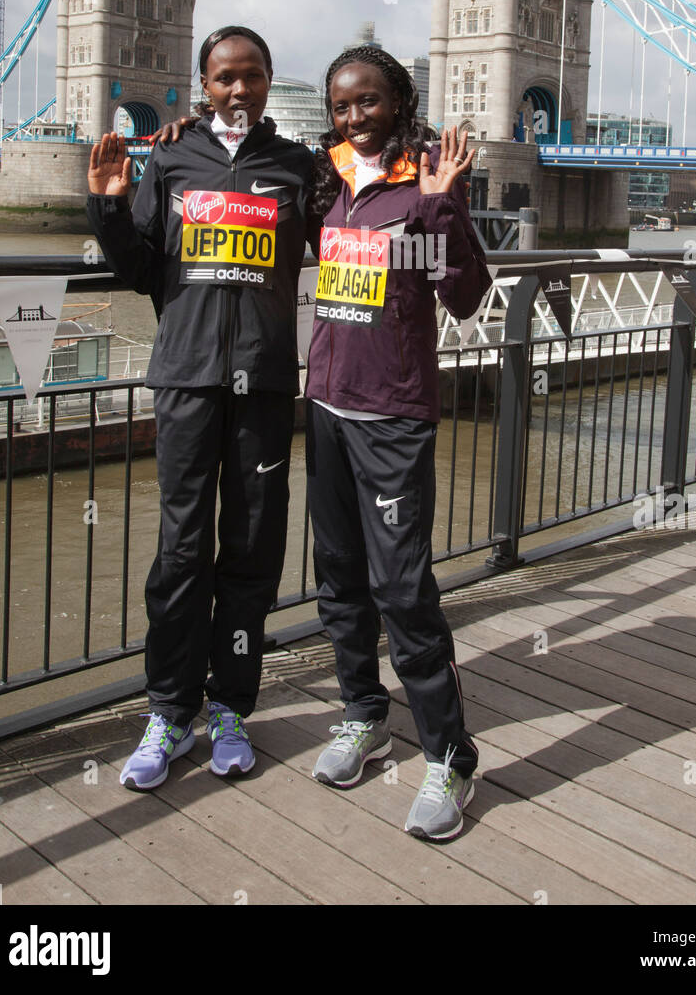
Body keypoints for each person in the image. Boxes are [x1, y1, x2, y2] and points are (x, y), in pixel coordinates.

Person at [87, 26, 314, 789]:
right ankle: (170, 708)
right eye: (224, 78)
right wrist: (109, 208)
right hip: (185, 378)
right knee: (180, 552)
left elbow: (353, 238)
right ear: (203, 86)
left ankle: (231, 708)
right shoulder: (173, 158)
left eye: (252, 76)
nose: (239, 89)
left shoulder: (296, 168)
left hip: (265, 382)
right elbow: (141, 268)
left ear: (269, 80)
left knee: (250, 552)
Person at [304, 44, 491, 840]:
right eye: (343, 105)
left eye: (369, 101)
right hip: (326, 408)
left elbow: (468, 294)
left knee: (403, 590)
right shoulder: (329, 183)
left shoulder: (425, 183)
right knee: (339, 577)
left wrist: (445, 202)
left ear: (399, 102)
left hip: (393, 415)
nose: (355, 116)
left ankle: (449, 756)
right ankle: (363, 716)